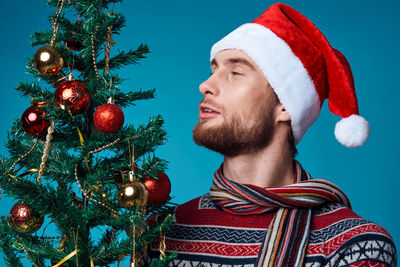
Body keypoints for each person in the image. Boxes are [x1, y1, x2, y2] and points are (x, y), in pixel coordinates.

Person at [145, 3, 397, 267]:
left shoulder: (354, 245)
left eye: (235, 73)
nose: (205, 85)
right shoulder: (161, 234)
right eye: (213, 70)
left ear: (286, 105)